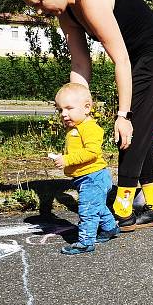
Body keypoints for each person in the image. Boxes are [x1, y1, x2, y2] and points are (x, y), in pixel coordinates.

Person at [10, 0, 153, 232]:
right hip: (136, 60)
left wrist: (123, 114)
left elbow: (120, 59)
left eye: (38, 3)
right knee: (144, 130)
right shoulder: (66, 13)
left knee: (131, 129)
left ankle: (122, 210)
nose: (39, 11)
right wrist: (74, 107)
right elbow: (80, 64)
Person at [51, 83, 120, 255]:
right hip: (86, 177)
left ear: (87, 107)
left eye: (68, 108)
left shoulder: (90, 128)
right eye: (60, 110)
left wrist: (67, 159)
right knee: (97, 206)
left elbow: (92, 152)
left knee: (87, 210)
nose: (64, 114)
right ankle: (110, 228)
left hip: (94, 177)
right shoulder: (76, 127)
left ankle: (85, 241)